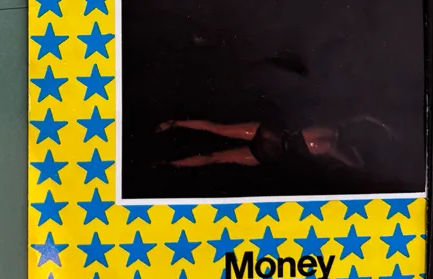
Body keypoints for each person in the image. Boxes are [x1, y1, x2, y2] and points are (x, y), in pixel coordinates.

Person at [155, 115, 392, 170]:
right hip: (272, 148)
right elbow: (357, 164)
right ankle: (171, 161)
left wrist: (385, 128)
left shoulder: (333, 131)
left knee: (218, 133)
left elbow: (364, 117)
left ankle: (175, 126)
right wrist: (385, 129)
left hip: (271, 139)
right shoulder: (333, 145)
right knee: (216, 156)